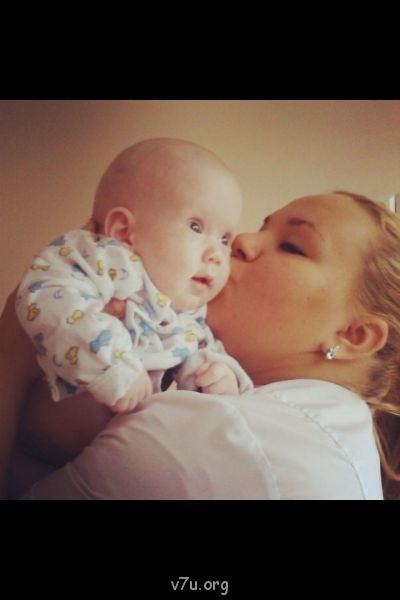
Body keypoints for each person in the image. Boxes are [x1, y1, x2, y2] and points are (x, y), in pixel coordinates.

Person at [2, 188, 400, 497]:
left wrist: (13, 345)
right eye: (262, 227)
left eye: (292, 246)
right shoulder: (331, 429)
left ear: (354, 336)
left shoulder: (222, 431)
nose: (241, 240)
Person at [14, 138, 252, 415]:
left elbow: (194, 349)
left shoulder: (189, 313)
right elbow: (49, 298)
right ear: (124, 231)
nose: (217, 254)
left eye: (224, 238)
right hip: (29, 421)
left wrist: (217, 376)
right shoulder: (101, 259)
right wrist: (111, 363)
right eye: (196, 227)